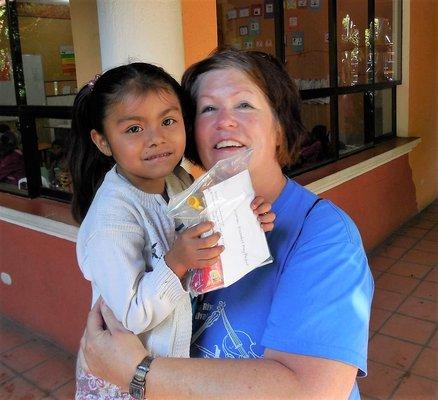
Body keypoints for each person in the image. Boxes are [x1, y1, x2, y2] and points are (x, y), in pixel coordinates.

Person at [81, 49, 374, 399]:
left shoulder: (324, 236)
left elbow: (313, 391)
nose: (225, 122)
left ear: (280, 127)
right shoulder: (186, 213)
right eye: (208, 109)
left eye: (244, 105)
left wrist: (136, 371)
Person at [68, 62, 274, 399]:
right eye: (134, 129)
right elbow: (132, 315)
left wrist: (245, 221)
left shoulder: (178, 181)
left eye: (167, 121)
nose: (157, 139)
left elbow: (206, 230)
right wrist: (177, 261)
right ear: (103, 141)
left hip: (167, 370)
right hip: (125, 383)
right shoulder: (112, 220)